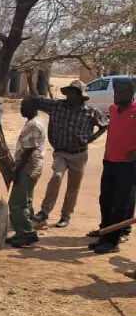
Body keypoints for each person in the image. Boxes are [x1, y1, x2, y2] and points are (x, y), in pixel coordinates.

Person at [31, 80, 108, 228]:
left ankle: (65, 216)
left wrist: (92, 138)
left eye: (73, 93)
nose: (69, 96)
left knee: (73, 187)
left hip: (79, 154)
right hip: (61, 152)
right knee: (56, 176)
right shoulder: (57, 106)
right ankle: (45, 211)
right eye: (69, 93)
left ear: (80, 96)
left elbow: (105, 124)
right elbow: (37, 101)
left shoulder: (90, 111)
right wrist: (30, 80)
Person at [88, 79, 136, 254]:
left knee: (120, 204)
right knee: (105, 200)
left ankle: (113, 241)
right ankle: (105, 235)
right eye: (116, 92)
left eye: (121, 92)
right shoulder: (113, 110)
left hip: (128, 166)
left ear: (131, 94)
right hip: (109, 162)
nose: (117, 95)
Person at [7, 98, 47, 248]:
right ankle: (21, 232)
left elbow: (28, 151)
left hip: (28, 168)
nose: (21, 108)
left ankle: (28, 233)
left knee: (17, 203)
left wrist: (16, 170)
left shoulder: (34, 124)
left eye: (25, 106)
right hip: (32, 167)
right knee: (26, 200)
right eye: (21, 105)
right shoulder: (35, 121)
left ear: (34, 107)